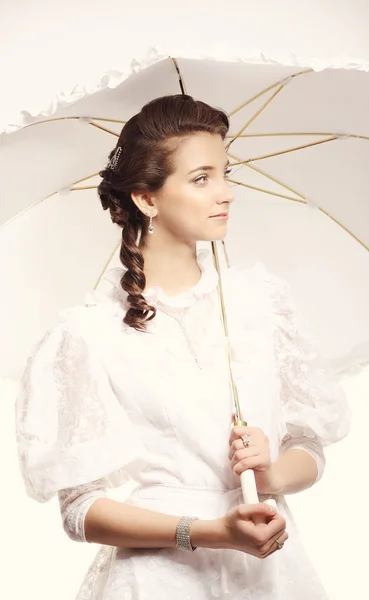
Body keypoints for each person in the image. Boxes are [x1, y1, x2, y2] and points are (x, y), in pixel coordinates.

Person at [15, 94, 350, 599]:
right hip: (158, 581)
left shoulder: (262, 304)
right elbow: (80, 509)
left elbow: (309, 444)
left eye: (225, 172)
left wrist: (271, 471)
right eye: (201, 178)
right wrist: (207, 532)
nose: (227, 193)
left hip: (271, 573)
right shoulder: (89, 333)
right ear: (147, 199)